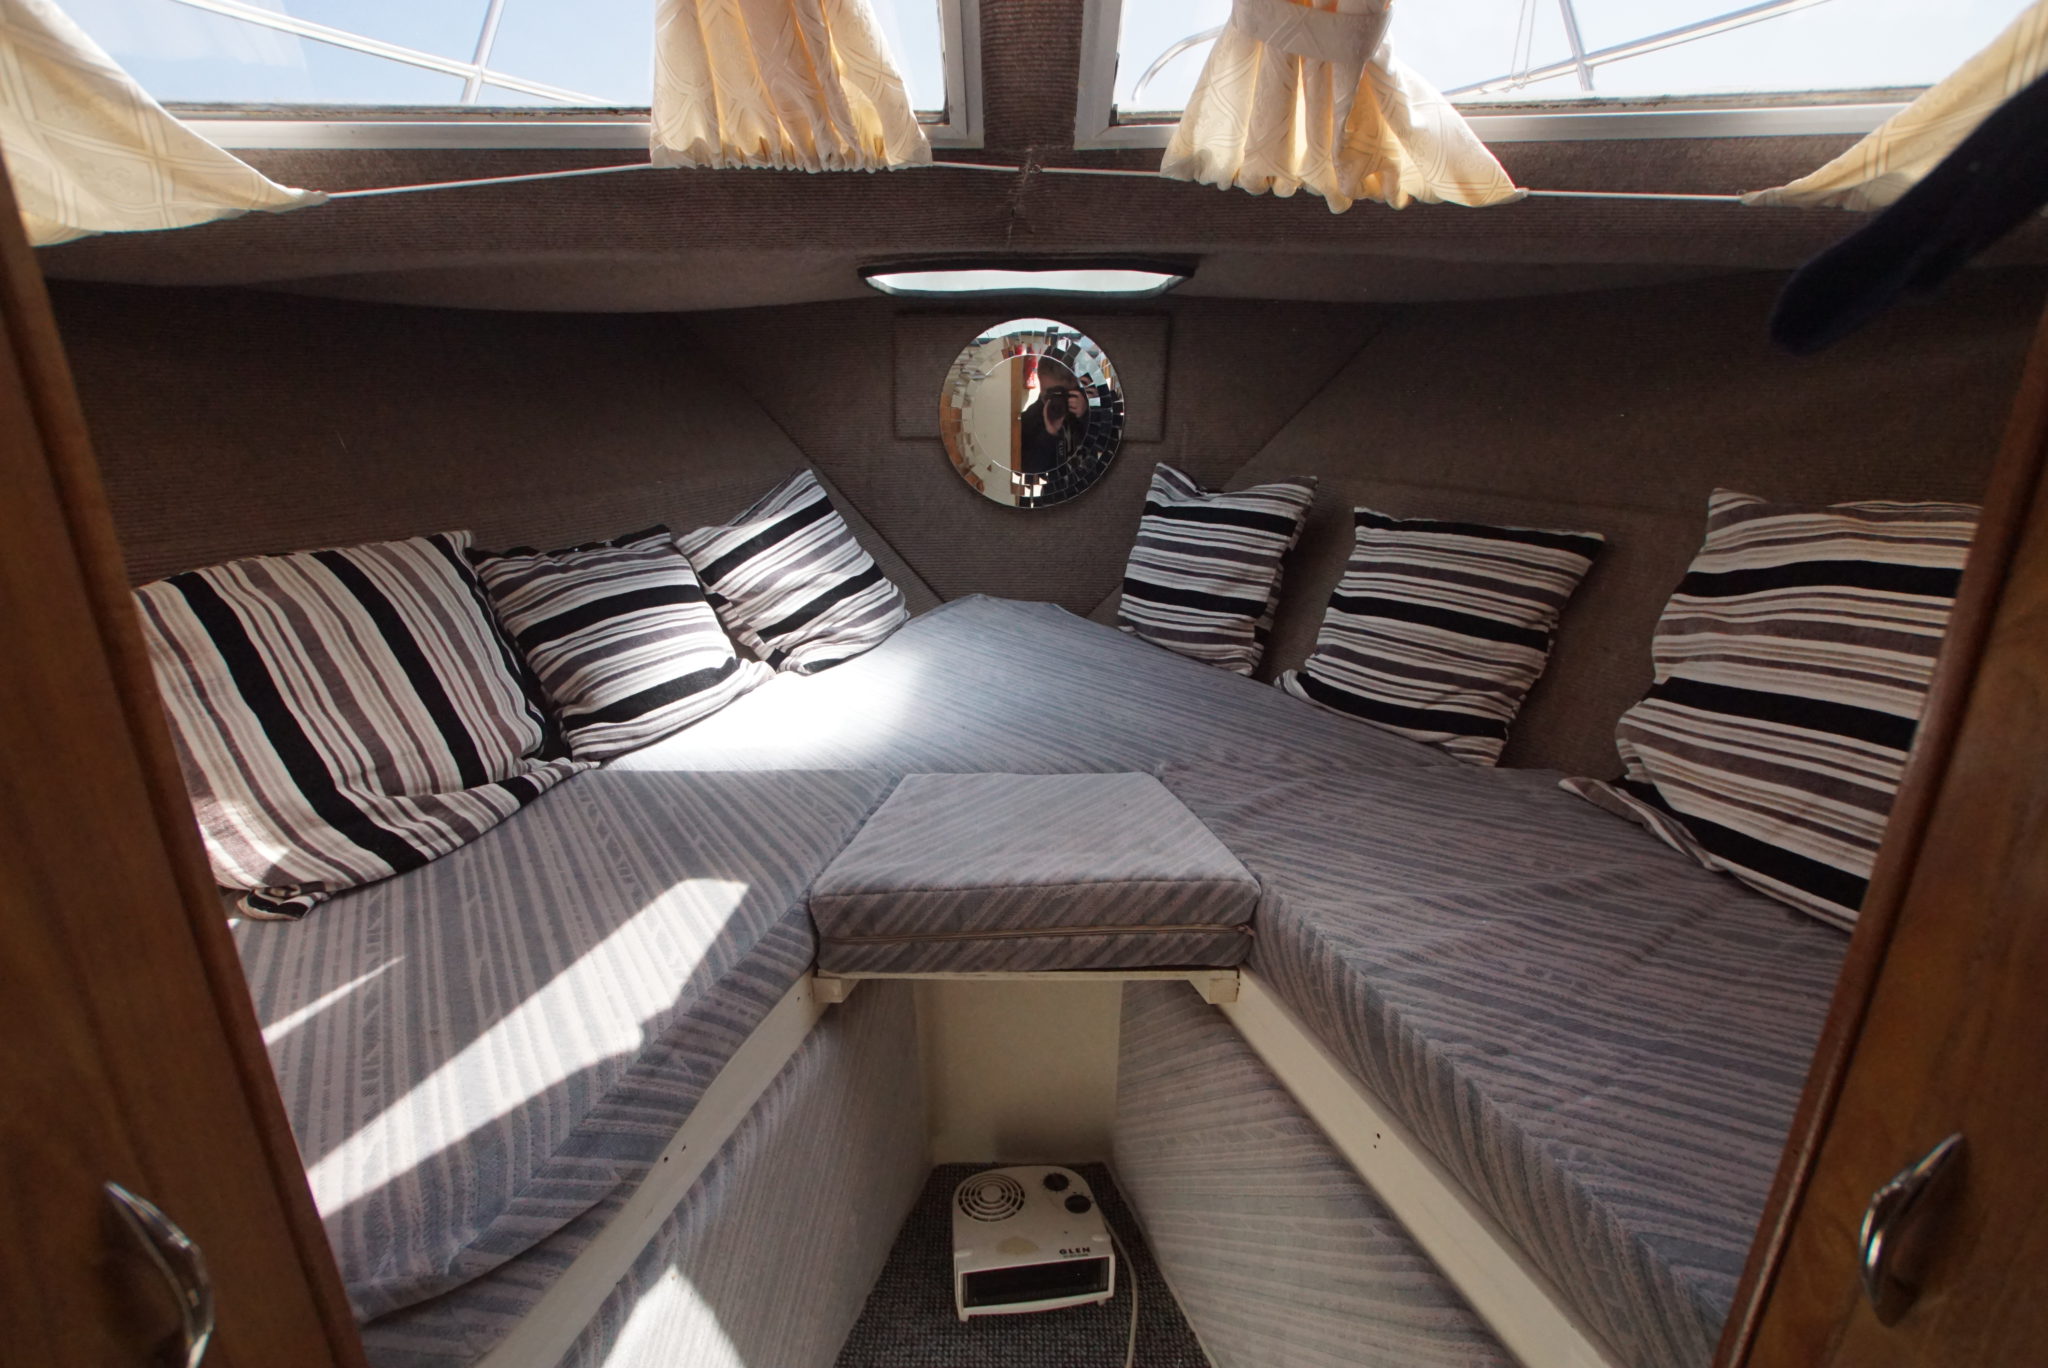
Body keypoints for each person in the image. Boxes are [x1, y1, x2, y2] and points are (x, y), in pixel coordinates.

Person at [1017, 383, 1085, 475]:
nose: (1058, 404)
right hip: (1054, 482)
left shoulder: (1081, 407)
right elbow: (1026, 469)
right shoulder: (1031, 418)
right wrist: (1049, 434)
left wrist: (1085, 415)